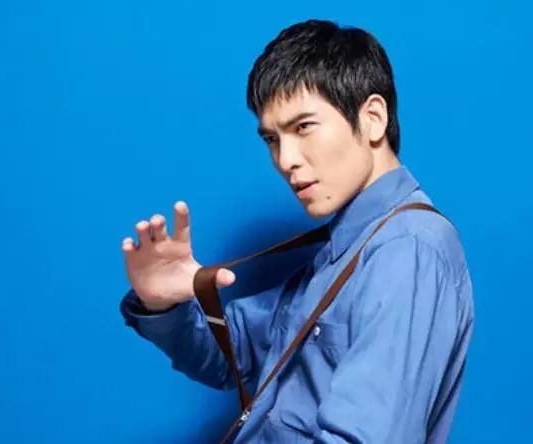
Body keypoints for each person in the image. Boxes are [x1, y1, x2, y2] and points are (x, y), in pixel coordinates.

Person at [119, 19, 474, 444]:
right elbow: (235, 358)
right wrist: (164, 305)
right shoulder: (346, 245)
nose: (286, 159)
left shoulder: (408, 249)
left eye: (303, 127)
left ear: (373, 118)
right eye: (272, 139)